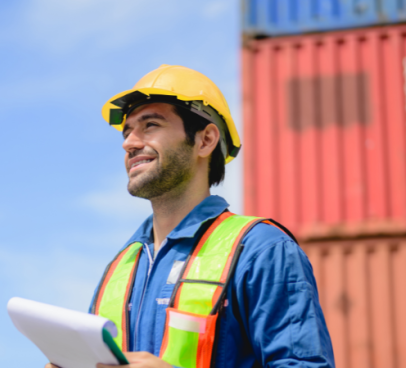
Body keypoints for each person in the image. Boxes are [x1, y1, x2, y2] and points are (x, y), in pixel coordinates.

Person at [46, 65, 334, 368]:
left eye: (151, 125)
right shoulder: (119, 270)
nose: (129, 142)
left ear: (205, 140)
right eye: (127, 131)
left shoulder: (260, 249)